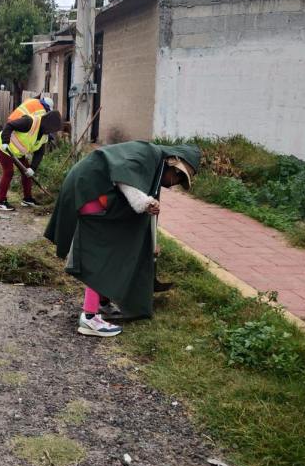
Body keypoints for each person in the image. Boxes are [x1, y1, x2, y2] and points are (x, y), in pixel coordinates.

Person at [45, 141, 200, 337]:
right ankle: (90, 318)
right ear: (174, 168)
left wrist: (150, 241)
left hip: (94, 190)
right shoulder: (148, 154)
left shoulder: (153, 159)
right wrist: (143, 203)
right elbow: (123, 177)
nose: (172, 185)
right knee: (101, 253)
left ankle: (102, 302)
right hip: (91, 191)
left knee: (116, 243)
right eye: (177, 180)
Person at [0, 96, 62, 211]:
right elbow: (9, 125)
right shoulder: (30, 122)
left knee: (27, 172)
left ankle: (27, 199)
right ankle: (1, 202)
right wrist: (5, 141)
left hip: (18, 153)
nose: (49, 132)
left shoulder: (44, 135)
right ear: (47, 124)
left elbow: (39, 153)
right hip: (4, 147)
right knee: (8, 172)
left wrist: (33, 169)